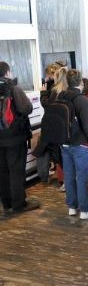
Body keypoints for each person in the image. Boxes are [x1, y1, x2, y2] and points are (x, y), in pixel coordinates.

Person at [60, 69, 88, 219]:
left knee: (69, 176)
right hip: (80, 144)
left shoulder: (60, 96)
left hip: (64, 143)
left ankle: (72, 207)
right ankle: (86, 210)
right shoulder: (81, 100)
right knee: (82, 178)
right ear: (80, 82)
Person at [0, 62, 37, 216]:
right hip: (15, 137)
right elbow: (26, 108)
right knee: (16, 170)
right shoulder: (13, 88)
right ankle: (19, 204)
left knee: (2, 171)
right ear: (7, 72)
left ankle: (6, 204)